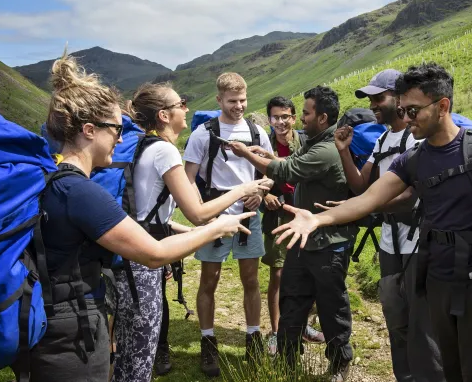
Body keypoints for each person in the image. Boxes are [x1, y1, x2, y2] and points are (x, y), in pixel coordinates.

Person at [272, 63, 472, 382]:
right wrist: (318, 219)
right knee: (446, 366)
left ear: (442, 106)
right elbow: (369, 198)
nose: (407, 117)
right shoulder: (414, 159)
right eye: (403, 109)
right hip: (436, 278)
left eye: (413, 110)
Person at [27, 51, 256, 382]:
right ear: (89, 130)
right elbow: (154, 253)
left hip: (65, 318)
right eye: (115, 130)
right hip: (73, 328)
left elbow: (128, 222)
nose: (121, 139)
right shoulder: (81, 192)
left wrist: (181, 229)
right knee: (135, 365)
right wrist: (217, 225)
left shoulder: (61, 182)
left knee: (120, 357)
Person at [111, 83, 271, 382]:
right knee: (139, 352)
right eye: (180, 103)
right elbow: (197, 213)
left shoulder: (142, 145)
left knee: (126, 347)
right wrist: (243, 190)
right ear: (163, 115)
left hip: (130, 248)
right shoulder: (165, 151)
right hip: (144, 259)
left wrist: (190, 231)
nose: (186, 109)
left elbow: (149, 212)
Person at [230, 86, 358, 382]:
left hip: (328, 245)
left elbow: (288, 171)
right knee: (291, 301)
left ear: (322, 118)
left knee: (331, 307)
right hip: (303, 241)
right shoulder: (316, 143)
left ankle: (340, 363)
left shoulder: (326, 150)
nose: (301, 118)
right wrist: (267, 155)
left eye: (307, 113)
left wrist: (246, 155)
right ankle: (288, 362)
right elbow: (289, 161)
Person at [331, 69, 444, 382]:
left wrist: (361, 206)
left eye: (378, 98)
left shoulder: (416, 138)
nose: (372, 105)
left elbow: (409, 197)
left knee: (423, 324)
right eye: (370, 100)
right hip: (390, 242)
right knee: (395, 316)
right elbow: (361, 186)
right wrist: (344, 152)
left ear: (399, 98)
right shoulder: (382, 139)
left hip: (418, 242)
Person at [183, 72, 274, 377]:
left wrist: (261, 193)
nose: (239, 106)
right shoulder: (203, 134)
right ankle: (208, 341)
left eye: (243, 100)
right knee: (209, 280)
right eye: (232, 101)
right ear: (219, 99)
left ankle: (253, 339)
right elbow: (188, 179)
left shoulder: (257, 132)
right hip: (216, 213)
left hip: (249, 213)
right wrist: (203, 212)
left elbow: (269, 171)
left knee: (251, 279)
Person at [260, 96, 325, 356]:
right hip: (277, 216)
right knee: (278, 273)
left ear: (294, 118)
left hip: (305, 214)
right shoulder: (263, 143)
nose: (280, 122)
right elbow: (253, 178)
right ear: (269, 119)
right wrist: (265, 196)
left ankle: (301, 325)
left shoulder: (306, 142)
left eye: (285, 116)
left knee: (307, 271)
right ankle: (277, 331)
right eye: (275, 117)